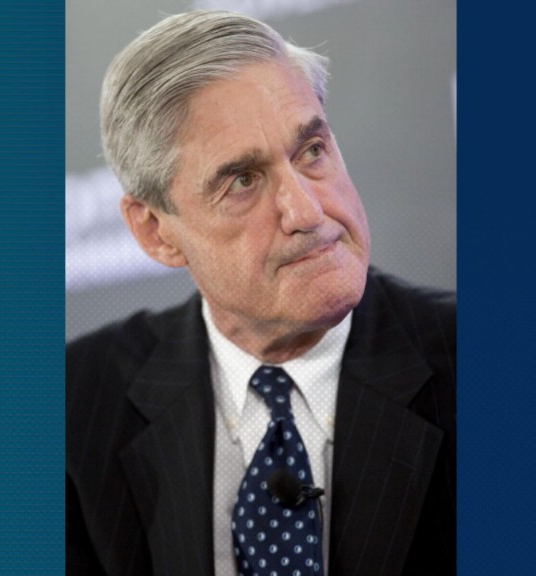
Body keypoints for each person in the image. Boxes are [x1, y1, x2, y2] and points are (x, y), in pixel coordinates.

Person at [66, 11, 455, 576]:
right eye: (243, 181)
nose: (307, 211)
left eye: (312, 151)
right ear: (156, 231)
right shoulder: (73, 412)